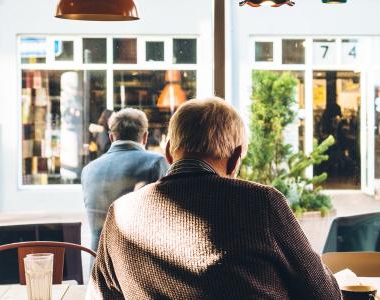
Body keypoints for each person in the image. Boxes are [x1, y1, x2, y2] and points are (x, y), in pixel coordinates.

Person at [87, 97, 342, 300]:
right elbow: (325, 295)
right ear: (235, 159)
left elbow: (101, 294)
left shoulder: (120, 213)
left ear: (168, 153)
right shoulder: (261, 204)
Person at [81, 108, 169, 251]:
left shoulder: (88, 170)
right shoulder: (156, 163)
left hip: (98, 265)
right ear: (145, 137)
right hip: (137, 266)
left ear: (111, 137)